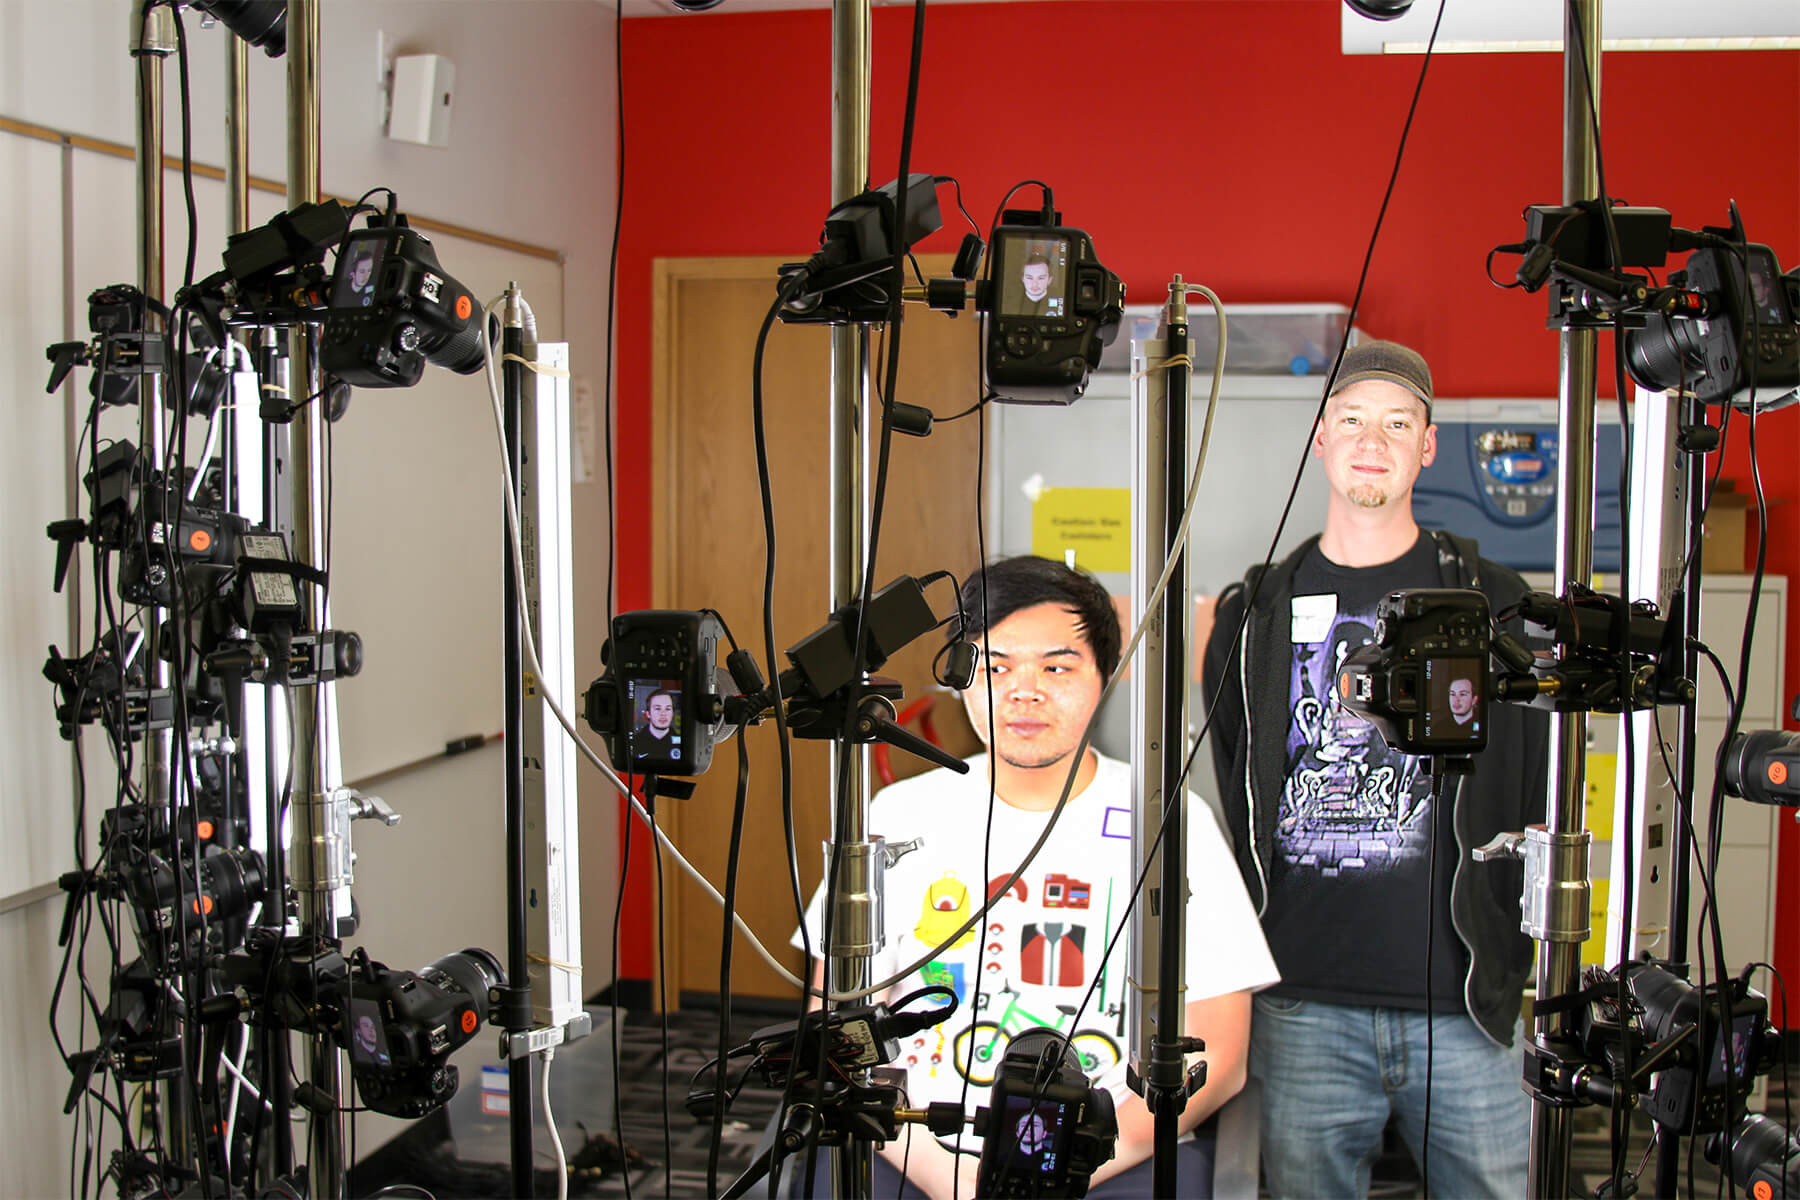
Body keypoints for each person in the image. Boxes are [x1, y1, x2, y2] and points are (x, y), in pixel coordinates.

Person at [794, 555, 1278, 1200]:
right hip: (912, 1149)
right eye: (995, 667)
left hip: (1109, 1159)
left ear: (1105, 677)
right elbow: (838, 1021)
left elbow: (1219, 1054)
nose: (1024, 691)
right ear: (961, 680)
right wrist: (949, 1178)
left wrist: (1076, 1169)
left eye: (1057, 666)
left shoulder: (1169, 820)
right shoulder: (897, 816)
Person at [1202, 340, 1549, 1198]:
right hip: (1300, 1002)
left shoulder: (1497, 601)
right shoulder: (1255, 611)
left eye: (1398, 423)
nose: (1373, 439)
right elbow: (1241, 775)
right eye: (1353, 419)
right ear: (1321, 437)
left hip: (1467, 1007)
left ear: (1427, 445)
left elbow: (1536, 781)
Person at [630, 688, 679, 761]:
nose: (663, 713)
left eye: (667, 709)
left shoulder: (681, 744)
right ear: (648, 714)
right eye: (658, 708)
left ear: (673, 714)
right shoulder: (634, 743)